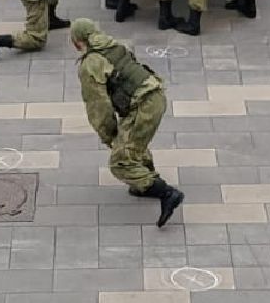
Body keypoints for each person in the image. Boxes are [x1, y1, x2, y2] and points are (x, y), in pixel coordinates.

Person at [70, 18, 184, 227]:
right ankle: (142, 182)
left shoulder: (90, 64)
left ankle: (166, 193)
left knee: (120, 161)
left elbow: (98, 107)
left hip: (143, 106)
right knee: (132, 142)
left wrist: (110, 138)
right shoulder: (115, 45)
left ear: (77, 42)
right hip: (154, 96)